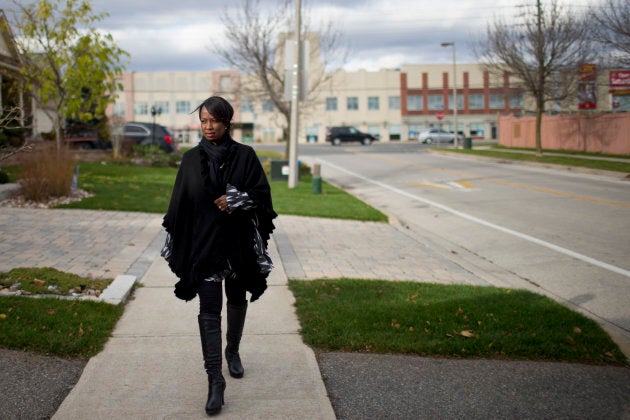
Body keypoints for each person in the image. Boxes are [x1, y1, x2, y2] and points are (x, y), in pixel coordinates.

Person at [161, 96, 277, 415]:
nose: (208, 127)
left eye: (214, 121)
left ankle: (233, 351)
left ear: (228, 122)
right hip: (206, 247)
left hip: (237, 246)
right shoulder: (190, 160)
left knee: (236, 299)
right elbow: (179, 206)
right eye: (203, 121)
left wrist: (236, 199)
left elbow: (263, 198)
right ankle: (215, 381)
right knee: (209, 309)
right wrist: (181, 243)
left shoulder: (246, 156)